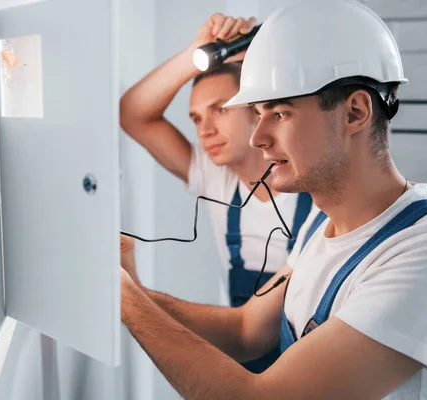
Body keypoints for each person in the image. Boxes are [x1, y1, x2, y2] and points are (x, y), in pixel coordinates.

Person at [119, 0, 427, 398]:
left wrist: (124, 300)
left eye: (279, 113)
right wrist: (132, 291)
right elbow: (246, 333)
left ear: (355, 112)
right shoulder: (320, 227)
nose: (258, 138)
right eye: (257, 113)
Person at [119, 13, 313, 372]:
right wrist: (196, 51)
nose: (204, 130)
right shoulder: (213, 176)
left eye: (219, 110)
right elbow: (133, 112)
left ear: (259, 110)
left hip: (313, 359)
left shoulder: (318, 184)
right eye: (195, 119)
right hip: (244, 352)